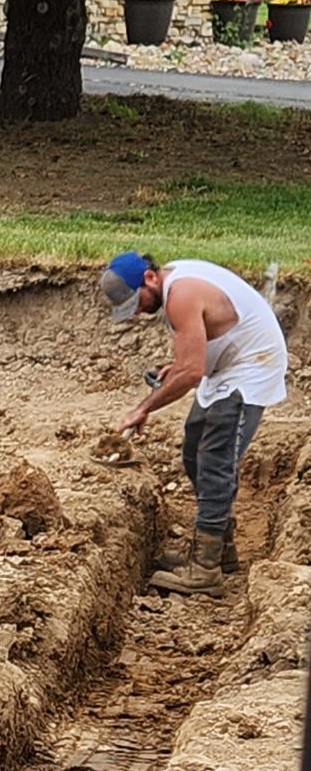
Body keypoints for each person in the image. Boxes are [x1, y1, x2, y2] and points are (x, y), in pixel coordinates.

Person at [104, 250, 290, 592]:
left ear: (149, 279)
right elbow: (194, 354)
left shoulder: (181, 295)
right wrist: (171, 370)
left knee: (215, 461)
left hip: (249, 369)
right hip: (226, 368)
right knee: (193, 451)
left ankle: (205, 569)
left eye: (138, 302)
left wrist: (143, 408)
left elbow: (192, 371)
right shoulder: (174, 281)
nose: (139, 311)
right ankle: (221, 549)